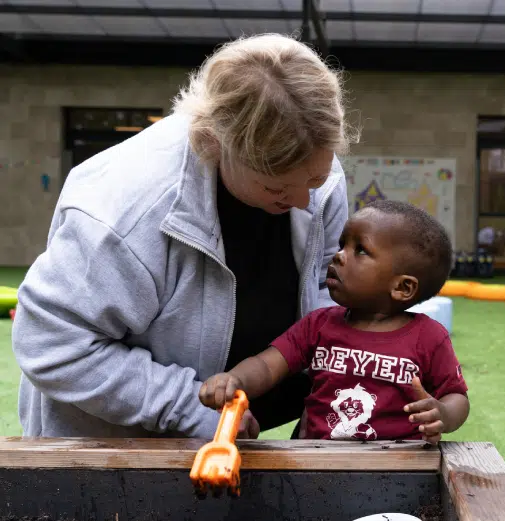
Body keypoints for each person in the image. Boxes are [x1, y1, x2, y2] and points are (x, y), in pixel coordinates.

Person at [11, 33, 357, 440]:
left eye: (314, 179)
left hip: (234, 420)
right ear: (218, 144)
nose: (303, 200)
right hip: (112, 444)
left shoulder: (319, 173)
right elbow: (53, 345)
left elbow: (324, 281)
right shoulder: (126, 210)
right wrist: (189, 407)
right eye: (276, 189)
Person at [199, 200, 470, 444]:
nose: (339, 255)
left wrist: (443, 414)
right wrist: (234, 379)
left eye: (360, 250)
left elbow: (457, 397)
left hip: (398, 469)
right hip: (316, 465)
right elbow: (267, 366)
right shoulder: (318, 325)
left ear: (402, 287)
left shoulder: (429, 337)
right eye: (343, 244)